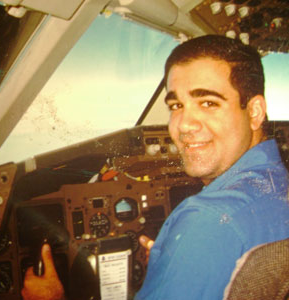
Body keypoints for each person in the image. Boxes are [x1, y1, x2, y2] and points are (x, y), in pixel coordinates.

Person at [21, 35, 289, 299]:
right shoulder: (278, 183)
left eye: (208, 103)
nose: (183, 125)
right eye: (176, 105)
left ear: (254, 112)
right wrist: (174, 263)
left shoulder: (207, 220)